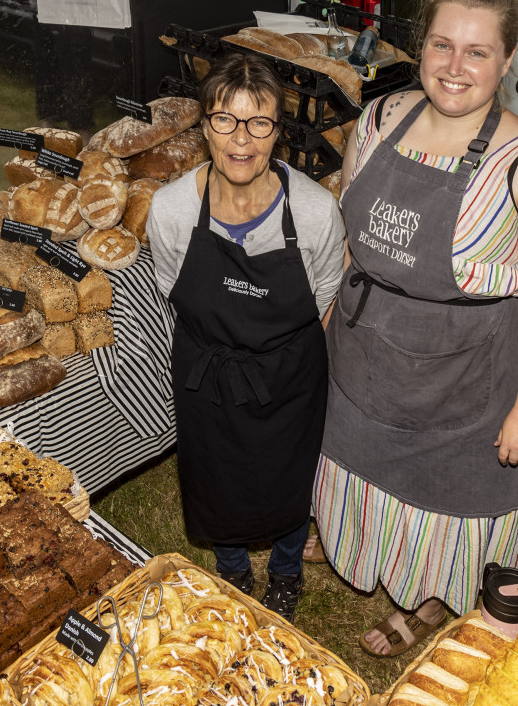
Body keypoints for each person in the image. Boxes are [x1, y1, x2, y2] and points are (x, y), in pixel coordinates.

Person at [312, 0, 518, 655]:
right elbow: (350, 237)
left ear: (508, 59)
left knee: (450, 496)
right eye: (441, 44)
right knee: (358, 461)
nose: (455, 67)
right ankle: (352, 540)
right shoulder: (378, 120)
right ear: (419, 44)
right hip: (365, 347)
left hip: (467, 378)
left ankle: (429, 602)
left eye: (478, 51)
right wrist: (327, 320)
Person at [147, 53, 345, 621]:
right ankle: (232, 569)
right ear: (204, 125)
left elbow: (325, 293)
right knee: (214, 475)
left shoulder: (312, 211)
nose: (241, 139)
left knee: (289, 474)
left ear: (278, 133)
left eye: (259, 122)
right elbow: (171, 285)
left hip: (289, 376)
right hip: (208, 372)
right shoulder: (172, 209)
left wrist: (285, 362)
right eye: (225, 120)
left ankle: (285, 572)